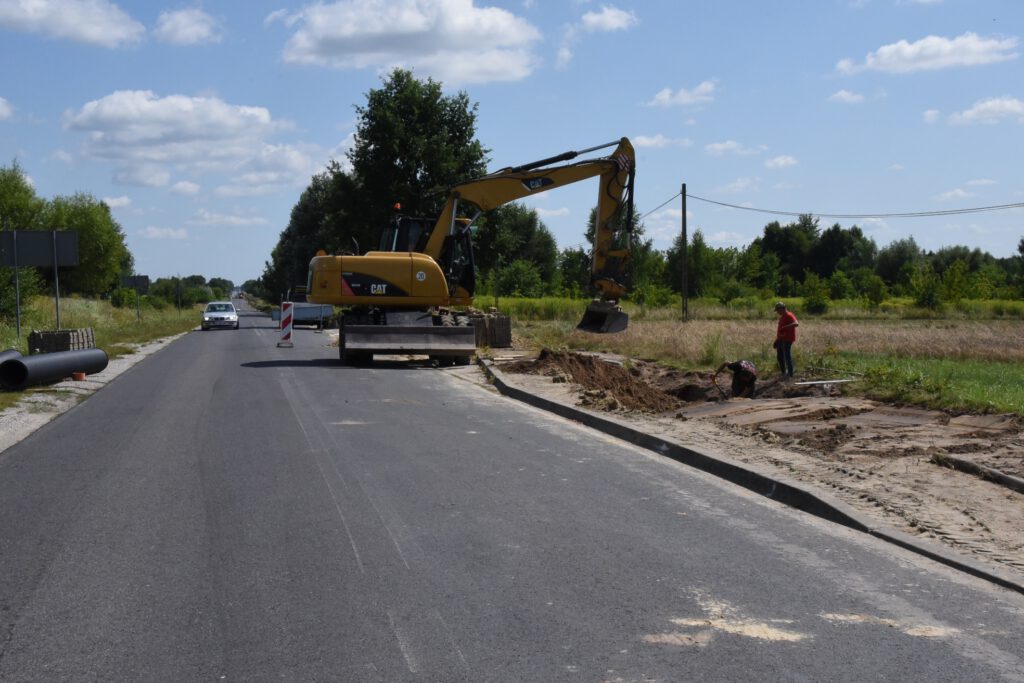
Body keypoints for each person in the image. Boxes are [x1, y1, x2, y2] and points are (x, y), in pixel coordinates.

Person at [773, 301, 799, 378]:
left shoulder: (789, 315)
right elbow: (780, 330)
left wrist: (785, 327)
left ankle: (790, 374)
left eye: (777, 310)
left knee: (787, 357)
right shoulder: (782, 316)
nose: (777, 312)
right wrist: (777, 340)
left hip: (787, 340)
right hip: (781, 340)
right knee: (780, 357)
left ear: (781, 309)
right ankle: (783, 373)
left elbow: (796, 323)